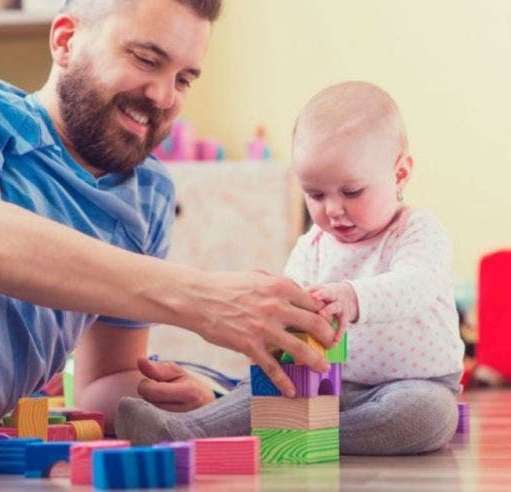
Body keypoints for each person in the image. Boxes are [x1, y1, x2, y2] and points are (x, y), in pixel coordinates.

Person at [0, 0, 336, 488]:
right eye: (146, 59)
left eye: (185, 79)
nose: (163, 96)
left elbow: (100, 385)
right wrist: (200, 297)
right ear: (66, 40)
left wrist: (182, 396)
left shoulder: (146, 200)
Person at [116, 81, 465, 455]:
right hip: (322, 380)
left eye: (351, 192)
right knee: (266, 384)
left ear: (399, 175)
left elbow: (415, 285)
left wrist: (353, 297)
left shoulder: (417, 231)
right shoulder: (312, 244)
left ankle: (306, 434)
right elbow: (288, 307)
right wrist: (276, 319)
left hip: (411, 384)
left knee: (424, 417)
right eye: (316, 194)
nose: (332, 209)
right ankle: (185, 430)